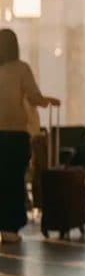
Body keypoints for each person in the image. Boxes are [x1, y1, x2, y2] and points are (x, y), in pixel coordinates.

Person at [0, 29, 60, 243]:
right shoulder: (21, 69)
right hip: (15, 134)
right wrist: (47, 101)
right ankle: (10, 228)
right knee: (14, 181)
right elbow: (33, 97)